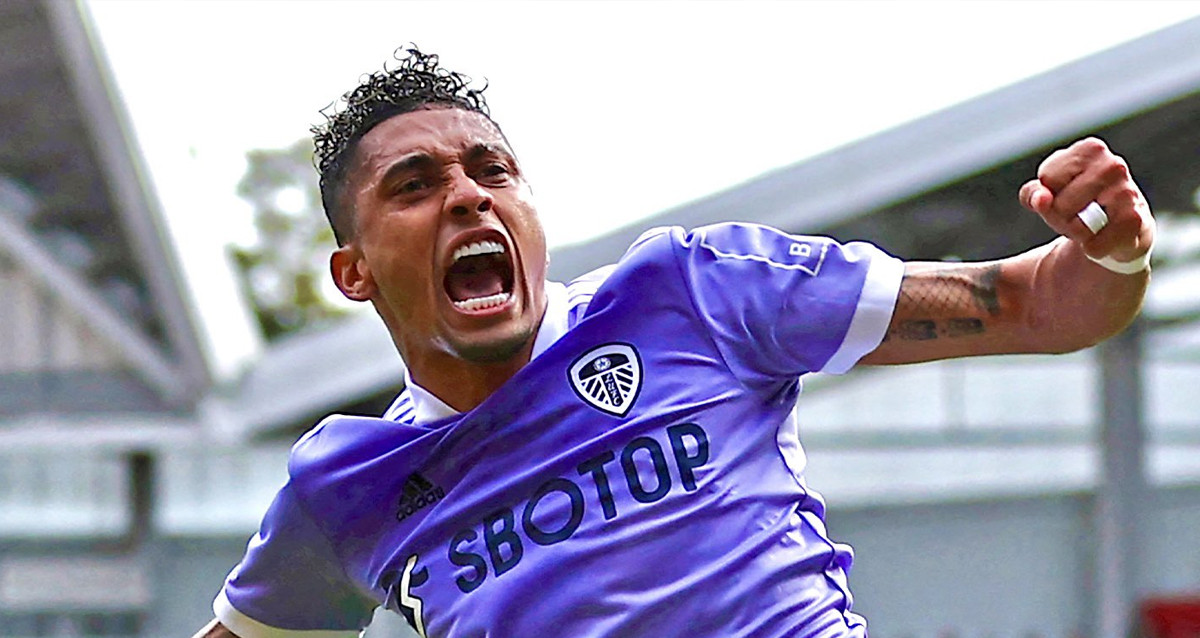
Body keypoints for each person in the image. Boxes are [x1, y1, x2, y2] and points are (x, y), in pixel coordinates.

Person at [192, 47, 1154, 638]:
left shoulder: (691, 295)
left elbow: (1041, 306)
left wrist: (1107, 250)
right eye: (414, 184)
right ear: (355, 273)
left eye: (493, 169)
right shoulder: (346, 489)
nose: (468, 194)